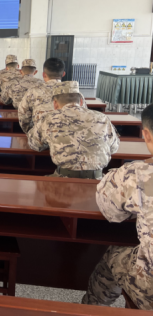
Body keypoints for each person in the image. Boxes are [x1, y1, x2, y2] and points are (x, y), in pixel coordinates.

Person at [81, 104, 153, 310]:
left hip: (150, 288)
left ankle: (91, 309)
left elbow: (111, 212)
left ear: (146, 135)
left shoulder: (136, 174)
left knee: (113, 255)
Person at [27, 81, 120, 179]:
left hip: (63, 179)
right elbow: (114, 148)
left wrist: (51, 140)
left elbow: (34, 144)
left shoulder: (49, 119)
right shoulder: (102, 118)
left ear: (55, 104)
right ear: (81, 102)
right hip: (98, 181)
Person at [18, 58, 66, 134]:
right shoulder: (75, 94)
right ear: (63, 74)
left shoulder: (33, 91)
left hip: (40, 135)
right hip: (67, 137)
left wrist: (31, 132)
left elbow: (23, 115)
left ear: (43, 74)